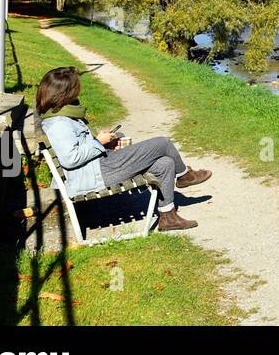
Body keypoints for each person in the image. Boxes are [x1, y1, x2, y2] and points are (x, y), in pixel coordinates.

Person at [36, 65, 210, 231]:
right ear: (64, 93)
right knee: (163, 143)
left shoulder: (61, 114)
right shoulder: (59, 123)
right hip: (97, 173)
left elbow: (76, 147)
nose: (79, 90)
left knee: (165, 163)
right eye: (75, 88)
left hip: (100, 166)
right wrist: (98, 143)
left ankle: (168, 217)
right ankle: (184, 175)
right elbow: (70, 158)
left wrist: (101, 141)